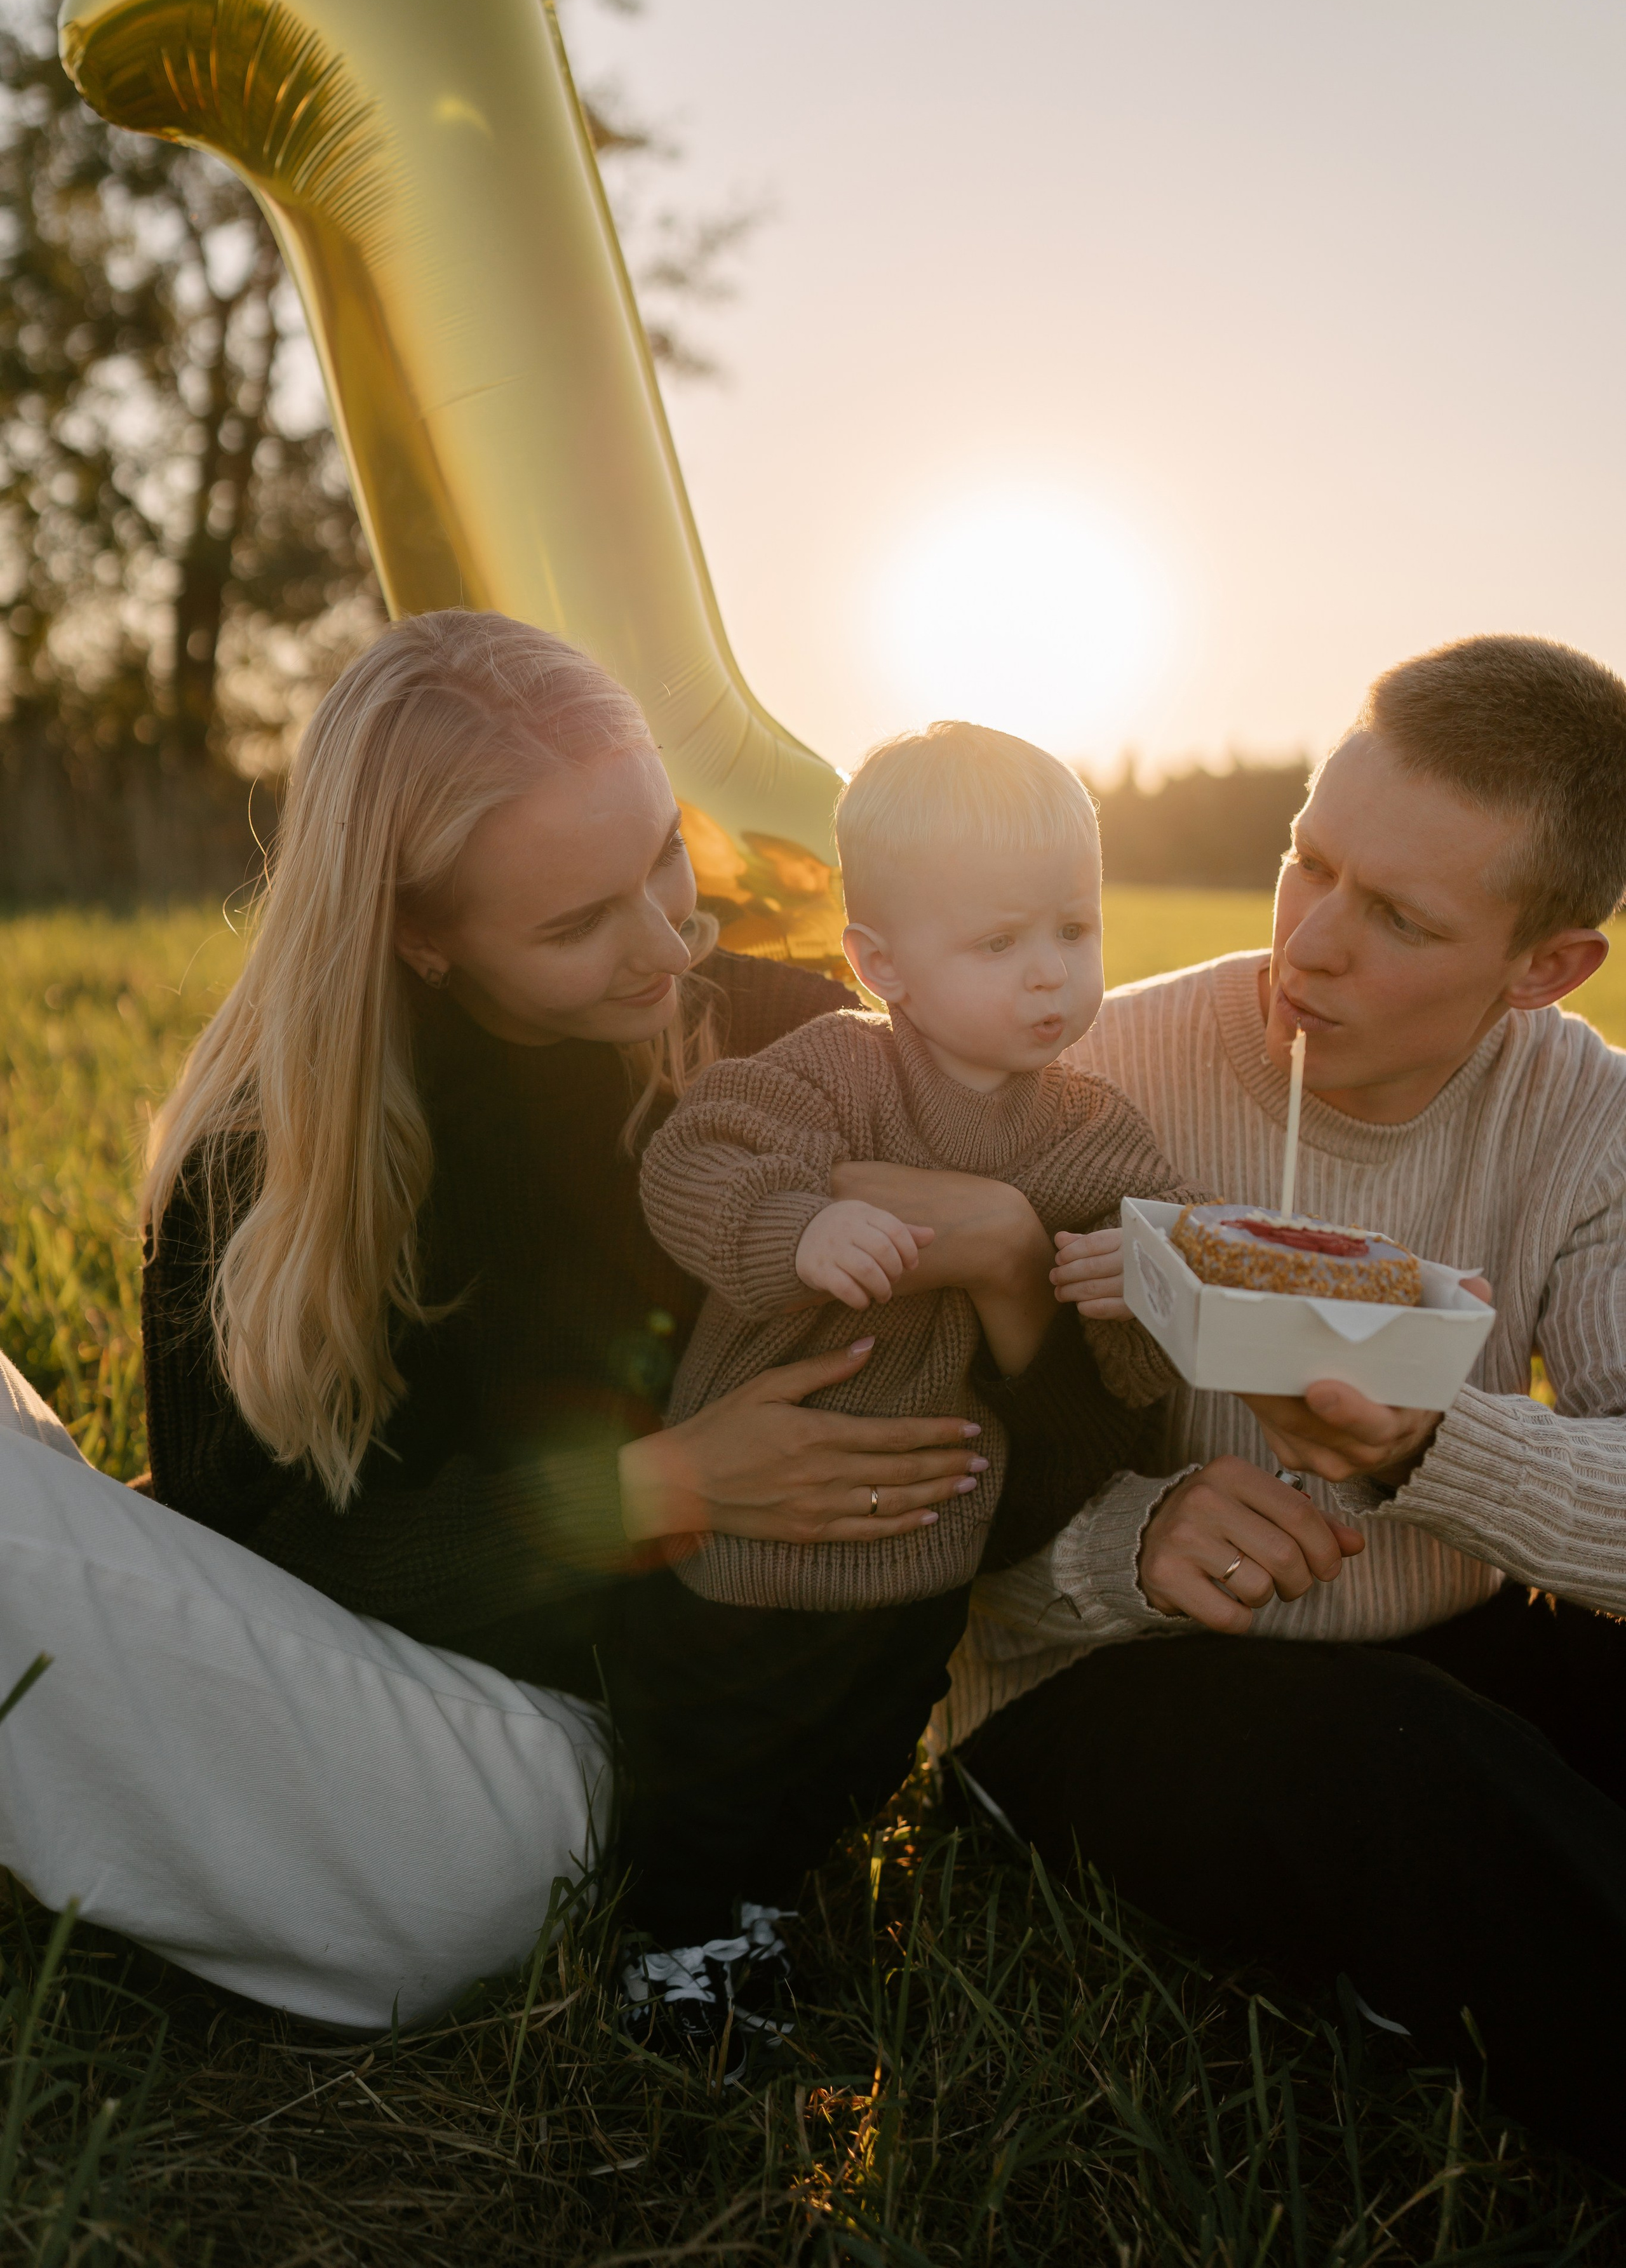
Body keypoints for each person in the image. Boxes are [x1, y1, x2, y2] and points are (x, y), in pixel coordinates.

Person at [59, 605, 1113, 2041]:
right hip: (417, 1706)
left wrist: (1007, 1258)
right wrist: (656, 1490)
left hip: (717, 1732)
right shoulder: (270, 1165)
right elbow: (252, 1560)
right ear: (420, 937)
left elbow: (1049, 1478)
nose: (667, 942)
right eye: (573, 924)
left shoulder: (791, 1047)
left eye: (665, 855)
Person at [911, 634, 1626, 2178]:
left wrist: (1433, 1444)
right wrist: (1130, 1539)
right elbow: (916, 1480)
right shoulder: (1087, 1074)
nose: (1307, 942)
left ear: (1544, 967)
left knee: (1461, 1733)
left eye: (1398, 919)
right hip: (1084, 1668)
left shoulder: (1585, 1114)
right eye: (1308, 861)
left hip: (1433, 1640)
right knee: (1419, 1773)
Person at [626, 725, 1193, 1999]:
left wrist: (1137, 1277)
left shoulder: (1090, 1128)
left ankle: (775, 1897)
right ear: (880, 964)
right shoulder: (836, 1070)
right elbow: (695, 1160)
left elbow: (1160, 1252)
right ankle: (680, 1949)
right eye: (998, 944)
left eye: (1074, 930)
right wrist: (797, 1229)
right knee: (714, 1740)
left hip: (927, 1545)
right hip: (754, 1539)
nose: (1049, 974)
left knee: (862, 1739)